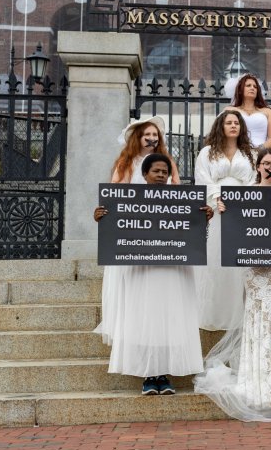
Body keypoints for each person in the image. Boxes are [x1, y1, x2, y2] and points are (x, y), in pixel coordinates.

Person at [194, 149, 271, 420]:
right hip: (256, 268)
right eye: (266, 163)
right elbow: (236, 223)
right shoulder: (244, 195)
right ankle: (256, 383)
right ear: (258, 167)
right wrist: (225, 209)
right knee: (257, 318)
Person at [93, 153, 212, 396]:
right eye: (156, 171)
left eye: (165, 172)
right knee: (146, 318)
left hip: (173, 270)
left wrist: (204, 220)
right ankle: (150, 374)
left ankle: (164, 373)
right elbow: (117, 234)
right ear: (145, 174)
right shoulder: (128, 200)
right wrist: (101, 219)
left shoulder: (181, 201)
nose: (161, 175)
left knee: (168, 318)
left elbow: (193, 237)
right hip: (143, 270)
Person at [96, 116, 180, 346]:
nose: (152, 138)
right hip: (133, 227)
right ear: (138, 138)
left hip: (159, 228)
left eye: (155, 135)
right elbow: (114, 193)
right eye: (147, 135)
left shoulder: (167, 162)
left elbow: (177, 191)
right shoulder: (127, 162)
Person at [193, 110, 256, 331]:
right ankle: (212, 312)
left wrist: (240, 201)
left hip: (241, 210)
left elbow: (253, 180)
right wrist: (216, 199)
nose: (233, 126)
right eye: (228, 122)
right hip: (216, 208)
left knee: (239, 261)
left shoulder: (250, 154)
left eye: (236, 123)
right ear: (221, 126)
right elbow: (202, 178)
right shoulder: (207, 152)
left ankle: (238, 311)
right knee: (215, 258)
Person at [224, 73, 271, 149]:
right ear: (240, 90)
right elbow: (221, 133)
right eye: (248, 85)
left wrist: (258, 150)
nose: (252, 88)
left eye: (255, 87)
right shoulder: (230, 110)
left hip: (261, 154)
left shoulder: (267, 111)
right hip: (237, 152)